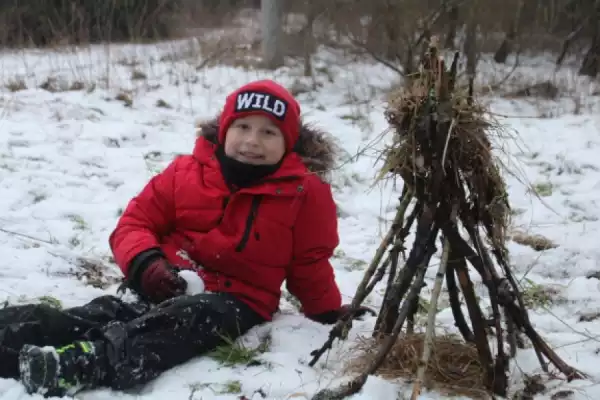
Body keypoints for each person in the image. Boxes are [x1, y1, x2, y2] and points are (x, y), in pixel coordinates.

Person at [0, 79, 374, 397]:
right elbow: (134, 223)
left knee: (178, 326)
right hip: (166, 279)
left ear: (288, 142)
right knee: (98, 314)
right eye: (242, 127)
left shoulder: (304, 193)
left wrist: (325, 312)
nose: (252, 141)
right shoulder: (185, 172)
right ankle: (12, 334)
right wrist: (146, 265)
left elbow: (310, 261)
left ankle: (85, 364)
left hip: (237, 300)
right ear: (225, 129)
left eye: (268, 132)